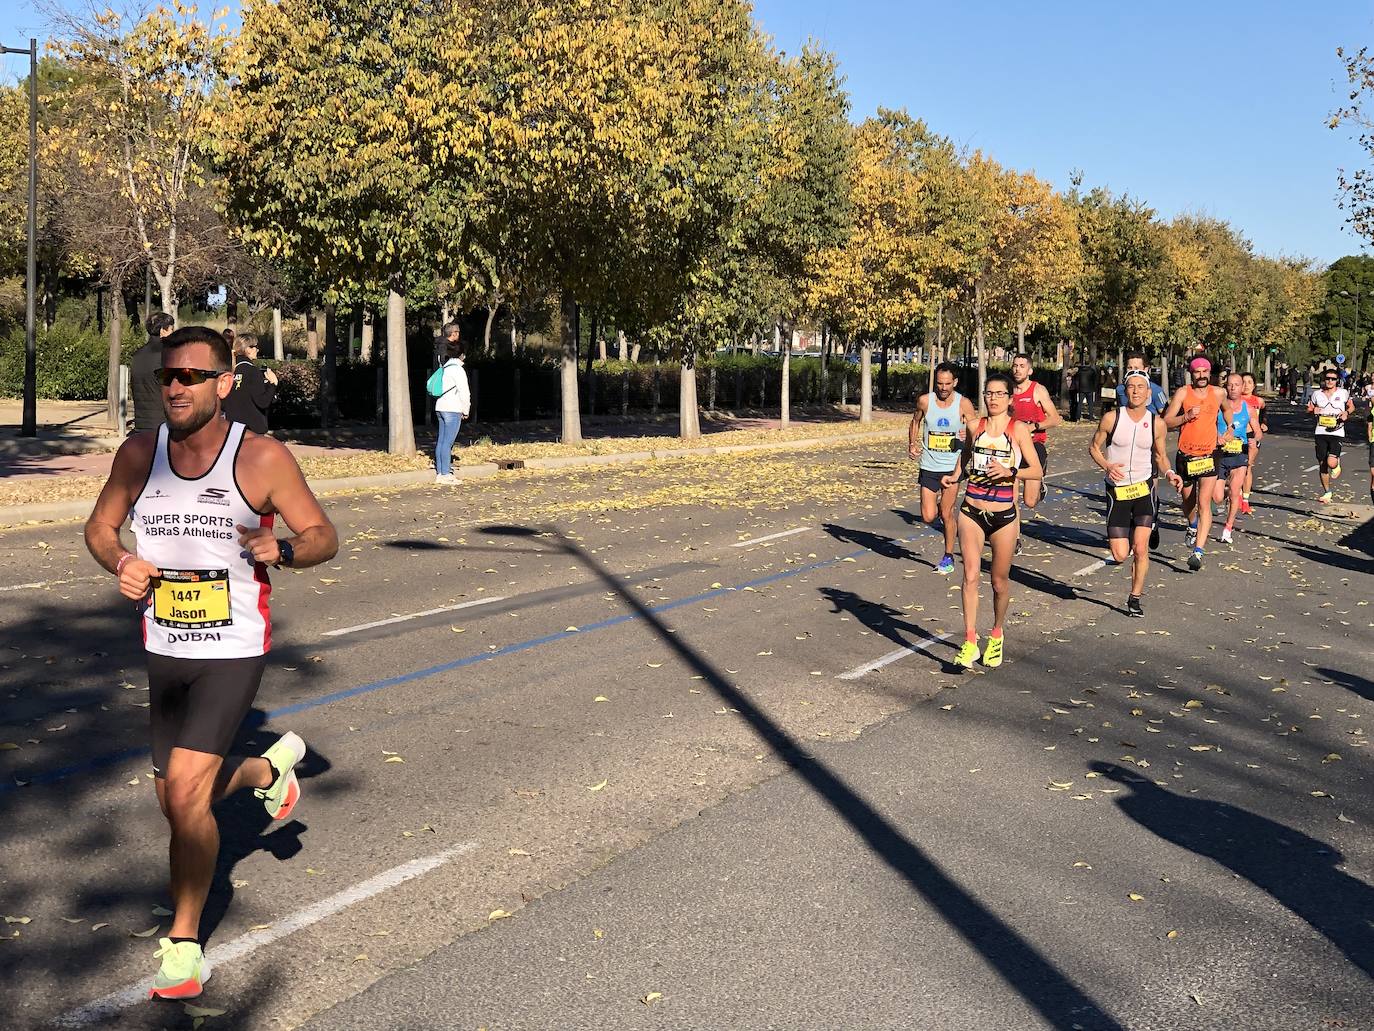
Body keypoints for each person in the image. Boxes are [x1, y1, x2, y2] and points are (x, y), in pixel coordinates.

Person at [83, 326, 338, 1000]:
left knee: (189, 793)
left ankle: (184, 942)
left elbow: (323, 536)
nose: (175, 387)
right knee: (172, 797)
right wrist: (123, 561)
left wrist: (280, 551)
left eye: (192, 376)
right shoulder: (140, 454)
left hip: (232, 646)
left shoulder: (260, 459)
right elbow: (99, 528)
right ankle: (263, 770)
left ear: (225, 383)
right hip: (164, 646)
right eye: (168, 376)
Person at [942, 372, 1042, 669]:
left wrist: (1011, 472)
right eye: (989, 393)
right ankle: (970, 641)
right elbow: (967, 458)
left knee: (998, 582)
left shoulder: (1019, 430)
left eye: (999, 394)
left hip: (1004, 516)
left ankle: (996, 634)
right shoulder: (975, 427)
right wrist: (954, 477)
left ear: (1010, 399)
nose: (993, 398)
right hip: (972, 510)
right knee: (970, 576)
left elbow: (1035, 470)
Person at [1090, 370, 1184, 616]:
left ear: (1148, 393)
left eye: (1140, 387)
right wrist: (1107, 465)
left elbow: (1160, 456)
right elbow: (1094, 447)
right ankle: (1134, 529)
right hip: (1118, 492)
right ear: (1125, 391)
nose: (1135, 391)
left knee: (1140, 549)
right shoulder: (1112, 418)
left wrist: (1170, 474)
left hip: (1143, 489)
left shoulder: (1157, 423)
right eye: (1131, 387)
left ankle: (1135, 598)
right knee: (1120, 555)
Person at [1163, 356, 1234, 571]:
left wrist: (1229, 429)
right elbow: (1166, 421)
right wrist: (1185, 417)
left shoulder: (1219, 392)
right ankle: (1192, 524)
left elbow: (1227, 409)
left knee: (1205, 502)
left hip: (1209, 454)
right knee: (1187, 502)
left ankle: (1198, 552)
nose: (1201, 375)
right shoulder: (1183, 393)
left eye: (1205, 371)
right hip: (1186, 455)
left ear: (1209, 373)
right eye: (1197, 372)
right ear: (1191, 373)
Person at [908, 362, 977, 574]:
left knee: (947, 513)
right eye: (939, 383)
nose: (943, 388)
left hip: (952, 465)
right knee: (928, 516)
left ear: (955, 382)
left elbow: (975, 430)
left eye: (948, 384)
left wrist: (968, 435)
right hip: (929, 464)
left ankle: (948, 556)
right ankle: (940, 507)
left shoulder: (963, 403)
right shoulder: (925, 401)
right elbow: (915, 421)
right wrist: (912, 443)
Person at [1009, 353, 1061, 513]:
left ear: (1029, 371)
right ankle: (1014, 538)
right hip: (1013, 447)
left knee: (1030, 501)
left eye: (1022, 366)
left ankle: (1040, 488)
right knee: (1010, 500)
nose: (1018, 370)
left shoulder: (1037, 390)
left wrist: (1033, 426)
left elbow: (1055, 419)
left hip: (1034, 445)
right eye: (1015, 366)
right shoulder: (1007, 391)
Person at [1212, 373, 1260, 544]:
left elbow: (1257, 430)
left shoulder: (1248, 408)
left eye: (1237, 385)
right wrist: (1217, 437)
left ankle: (1228, 528)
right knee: (1217, 497)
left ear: (1242, 387)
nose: (1233, 388)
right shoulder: (1218, 406)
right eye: (1230, 385)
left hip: (1239, 454)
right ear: (1226, 387)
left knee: (1234, 492)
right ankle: (1224, 494)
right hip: (1220, 455)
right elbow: (1209, 426)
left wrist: (1255, 438)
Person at [1308, 368, 1353, 503]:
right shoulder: (1317, 394)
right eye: (1328, 378)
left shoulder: (1343, 393)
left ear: (1337, 380)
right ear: (1324, 379)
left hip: (1337, 431)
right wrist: (1313, 410)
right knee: (1322, 463)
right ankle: (1327, 492)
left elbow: (1351, 407)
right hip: (1320, 431)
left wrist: (1346, 413)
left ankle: (1336, 464)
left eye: (1333, 379)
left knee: (1331, 462)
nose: (1330, 381)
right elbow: (1309, 408)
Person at [221, 332, 279, 435]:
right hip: (251, 432)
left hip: (231, 430)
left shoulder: (229, 371)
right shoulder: (252, 371)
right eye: (255, 347)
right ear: (248, 349)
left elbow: (223, 404)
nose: (258, 350)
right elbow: (262, 402)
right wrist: (272, 384)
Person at [131, 312, 177, 433]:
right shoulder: (167, 354)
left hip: (141, 422)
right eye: (171, 329)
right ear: (163, 330)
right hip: (163, 424)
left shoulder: (137, 355)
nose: (173, 333)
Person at [433, 338, 471, 485]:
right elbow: (464, 392)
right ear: (462, 355)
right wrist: (465, 410)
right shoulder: (458, 370)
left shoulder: (445, 368)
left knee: (441, 441)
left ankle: (440, 473)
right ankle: (446, 474)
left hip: (440, 407)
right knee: (448, 443)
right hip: (453, 409)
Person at [1238, 373, 1267, 514]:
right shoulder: (1234, 400)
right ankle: (1235, 493)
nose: (1246, 385)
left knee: (1248, 466)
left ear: (1254, 385)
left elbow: (1263, 416)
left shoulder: (1259, 401)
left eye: (1250, 382)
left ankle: (1245, 500)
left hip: (1252, 436)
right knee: (1236, 467)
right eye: (1243, 382)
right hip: (1237, 436)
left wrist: (1263, 424)